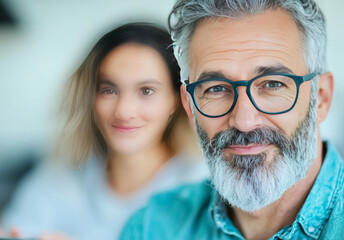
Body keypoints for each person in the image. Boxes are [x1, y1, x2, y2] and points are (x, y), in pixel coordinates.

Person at [120, 1, 344, 239]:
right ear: (190, 106)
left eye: (273, 84)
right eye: (216, 89)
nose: (244, 121)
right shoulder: (149, 229)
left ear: (321, 98)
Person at [0, 23, 207, 240]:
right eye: (109, 90)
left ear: (175, 100)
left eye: (146, 91)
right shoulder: (56, 181)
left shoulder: (202, 190)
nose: (124, 111)